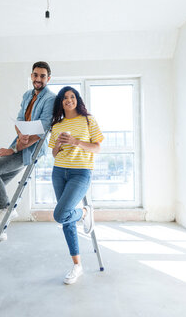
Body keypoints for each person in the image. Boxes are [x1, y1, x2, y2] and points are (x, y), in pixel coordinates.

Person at [0, 61, 56, 242]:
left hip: (32, 149)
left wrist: (18, 147)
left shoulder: (50, 98)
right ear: (31, 76)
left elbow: (44, 127)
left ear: (48, 78)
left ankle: (7, 209)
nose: (38, 79)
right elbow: (20, 119)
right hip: (20, 144)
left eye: (42, 76)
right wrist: (18, 139)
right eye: (35, 75)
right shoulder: (27, 95)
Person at [48, 86, 104, 284]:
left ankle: (86, 212)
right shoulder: (56, 126)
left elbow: (97, 148)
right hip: (58, 172)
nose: (68, 100)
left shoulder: (89, 120)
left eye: (72, 97)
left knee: (60, 214)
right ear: (61, 103)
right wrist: (59, 145)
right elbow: (54, 154)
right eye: (64, 98)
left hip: (80, 172)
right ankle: (77, 265)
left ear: (77, 99)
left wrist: (76, 141)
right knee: (66, 220)